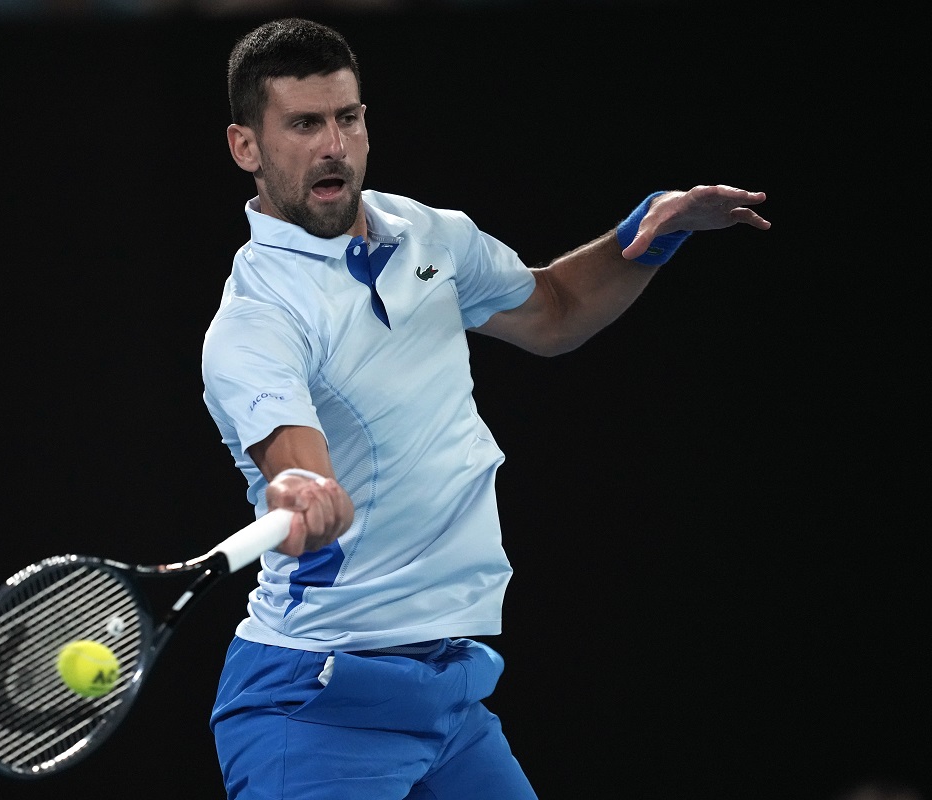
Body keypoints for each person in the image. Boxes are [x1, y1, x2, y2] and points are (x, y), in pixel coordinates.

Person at [201, 17, 770, 800]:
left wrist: (651, 234)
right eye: (304, 124)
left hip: (447, 692)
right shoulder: (255, 321)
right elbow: (294, 460)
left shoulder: (432, 235)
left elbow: (558, 310)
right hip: (319, 704)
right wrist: (305, 493)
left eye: (348, 117)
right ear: (246, 148)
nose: (334, 144)